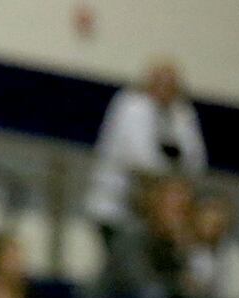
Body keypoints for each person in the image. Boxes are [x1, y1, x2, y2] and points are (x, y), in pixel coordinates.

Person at [85, 59, 207, 245]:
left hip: (156, 215)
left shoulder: (181, 113)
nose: (165, 90)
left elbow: (196, 161)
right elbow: (140, 159)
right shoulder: (131, 106)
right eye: (160, 83)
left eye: (170, 85)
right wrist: (171, 176)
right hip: (118, 207)